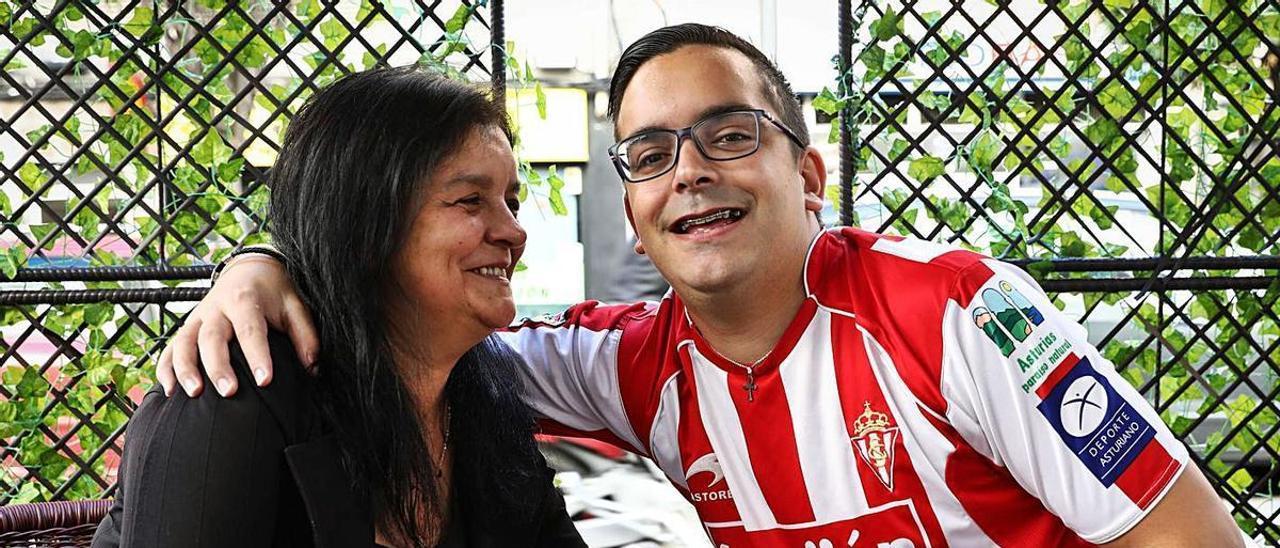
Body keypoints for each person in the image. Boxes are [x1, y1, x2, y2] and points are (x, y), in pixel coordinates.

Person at [157, 24, 1243, 547]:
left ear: (808, 173)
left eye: (729, 134)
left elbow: (1191, 539)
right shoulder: (624, 363)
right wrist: (264, 263)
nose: (689, 172)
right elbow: (416, 315)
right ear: (631, 206)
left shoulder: (958, 311)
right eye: (647, 154)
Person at [92, 67, 585, 547]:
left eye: (511, 203)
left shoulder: (486, 390)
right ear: (366, 224)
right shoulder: (237, 389)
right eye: (471, 200)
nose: (514, 232)